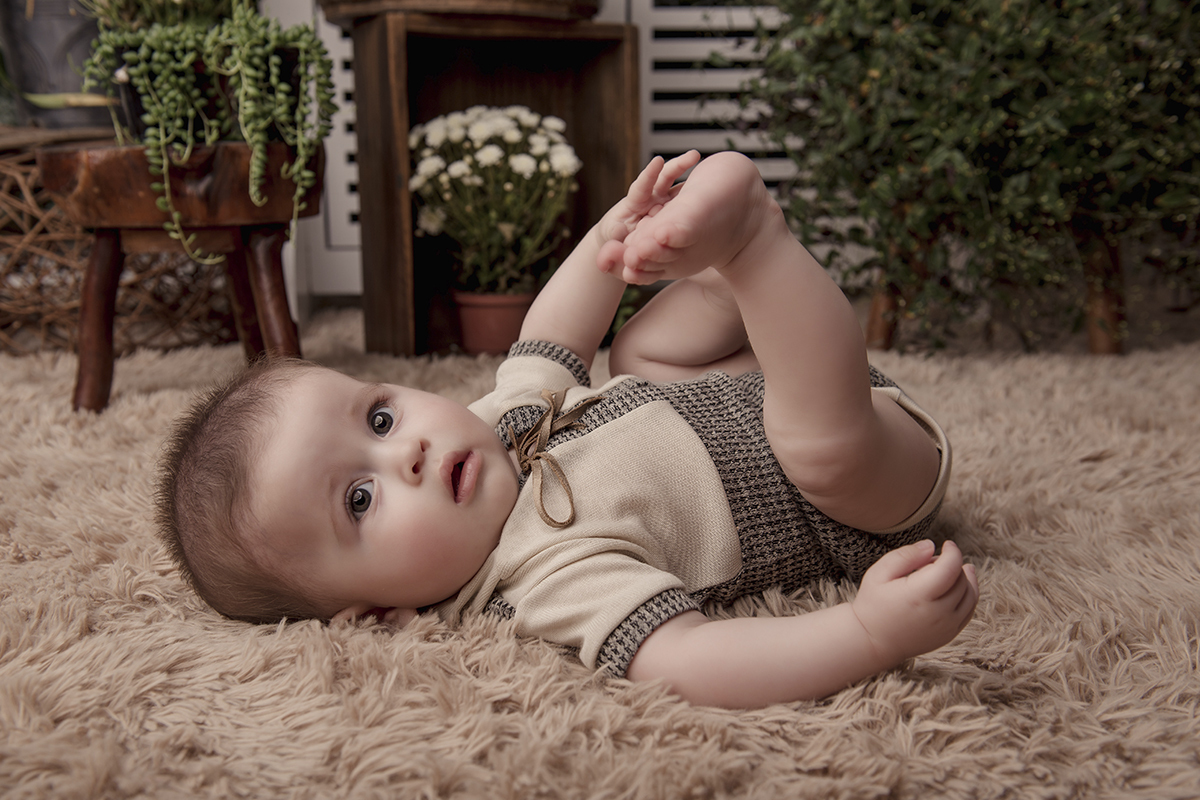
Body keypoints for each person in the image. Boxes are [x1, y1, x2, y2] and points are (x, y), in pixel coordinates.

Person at [157, 150, 977, 709]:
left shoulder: (496, 425)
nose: (405, 453)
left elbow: (549, 338)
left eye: (379, 417)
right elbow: (691, 661)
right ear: (377, 618)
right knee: (820, 452)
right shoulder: (541, 581)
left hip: (750, 383)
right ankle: (757, 248)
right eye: (360, 499)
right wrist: (867, 633)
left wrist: (611, 240)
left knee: (637, 352)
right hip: (856, 494)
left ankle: (727, 275)